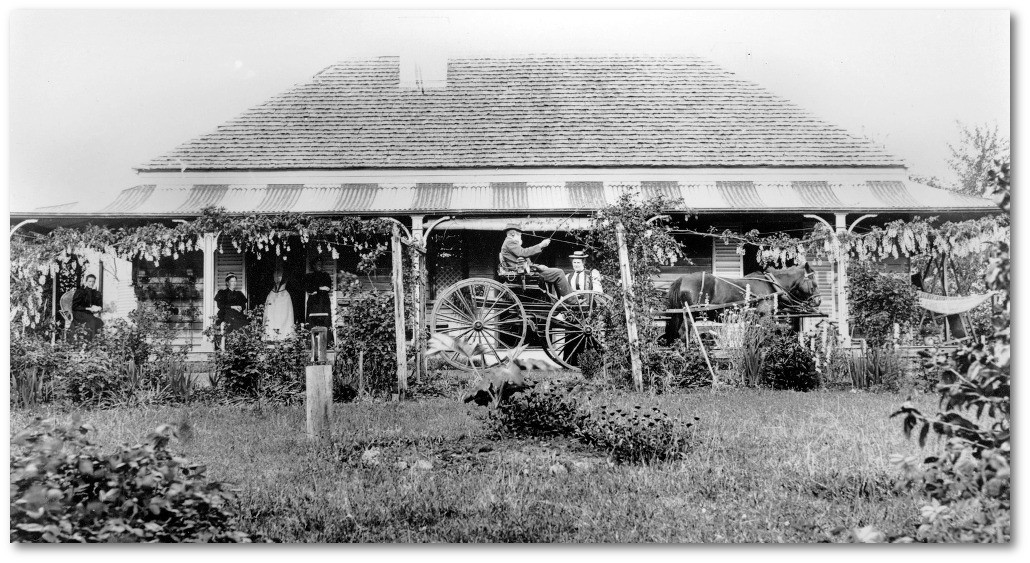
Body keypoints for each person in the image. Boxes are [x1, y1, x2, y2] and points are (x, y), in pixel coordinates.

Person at [499, 224, 575, 299]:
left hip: (525, 271)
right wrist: (541, 245)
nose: (520, 237)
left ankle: (564, 299)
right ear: (513, 234)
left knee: (554, 271)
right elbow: (523, 252)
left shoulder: (509, 243)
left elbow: (522, 256)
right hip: (525, 273)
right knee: (559, 273)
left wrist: (538, 266)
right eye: (520, 235)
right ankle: (571, 300)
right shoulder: (510, 242)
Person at [303, 261, 334, 345]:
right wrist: (320, 288)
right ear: (313, 265)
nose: (319, 266)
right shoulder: (309, 276)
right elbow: (309, 290)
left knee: (325, 321)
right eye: (317, 264)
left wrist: (316, 289)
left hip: (323, 302)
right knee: (311, 321)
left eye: (321, 264)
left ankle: (327, 343)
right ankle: (310, 343)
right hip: (313, 302)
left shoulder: (325, 275)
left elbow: (327, 288)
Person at [263, 269, 295, 341]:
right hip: (273, 318)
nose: (277, 278)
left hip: (282, 318)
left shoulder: (285, 294)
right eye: (276, 276)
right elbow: (267, 310)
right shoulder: (271, 293)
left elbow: (287, 312)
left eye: (280, 276)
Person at [214, 274, 249, 341]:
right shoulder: (222, 293)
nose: (234, 283)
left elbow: (243, 305)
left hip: (237, 314)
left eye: (235, 281)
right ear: (227, 283)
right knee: (232, 323)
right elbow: (220, 306)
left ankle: (240, 344)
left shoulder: (239, 294)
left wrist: (241, 307)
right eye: (232, 281)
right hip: (225, 314)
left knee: (245, 324)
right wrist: (232, 307)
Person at [70, 274, 104, 341]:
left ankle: (95, 341)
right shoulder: (80, 292)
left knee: (99, 322)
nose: (91, 283)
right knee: (92, 322)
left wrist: (98, 308)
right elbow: (74, 307)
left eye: (93, 282)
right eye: (89, 281)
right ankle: (89, 341)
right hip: (79, 314)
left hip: (88, 314)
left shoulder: (95, 293)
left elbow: (98, 305)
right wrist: (88, 308)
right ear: (86, 282)